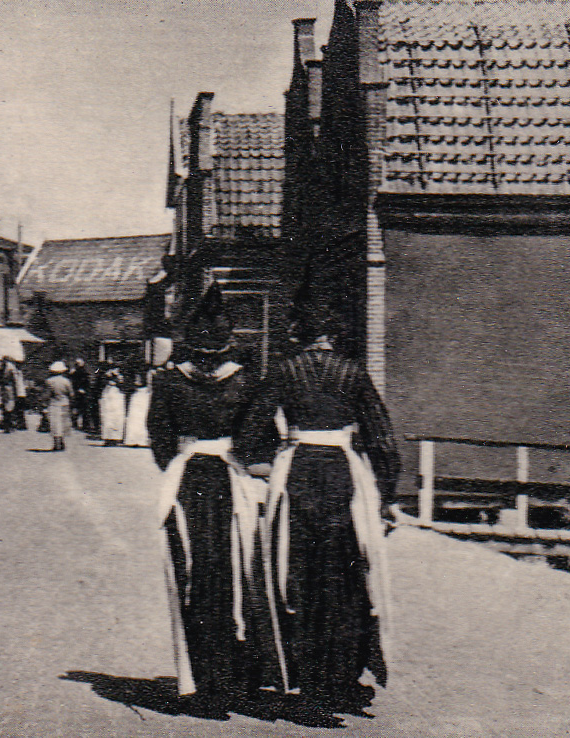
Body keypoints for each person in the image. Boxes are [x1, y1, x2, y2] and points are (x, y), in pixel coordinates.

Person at [233, 312, 401, 712]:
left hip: (295, 475)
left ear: (298, 335)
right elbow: (382, 438)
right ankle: (342, 678)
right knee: (347, 575)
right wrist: (388, 494)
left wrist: (273, 452)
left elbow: (249, 432)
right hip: (344, 476)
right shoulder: (353, 373)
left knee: (293, 573)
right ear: (331, 335)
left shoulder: (283, 371)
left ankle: (298, 674)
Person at [147, 284, 275, 712]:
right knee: (240, 575)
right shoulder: (246, 380)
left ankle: (200, 680)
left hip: (186, 483)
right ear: (227, 341)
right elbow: (260, 439)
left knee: (193, 577)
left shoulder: (167, 381)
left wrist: (180, 461)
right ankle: (237, 678)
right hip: (231, 484)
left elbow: (159, 438)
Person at [41, 361, 73, 451]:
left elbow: (46, 394)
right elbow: (71, 394)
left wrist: (43, 403)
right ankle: (62, 442)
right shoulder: (66, 381)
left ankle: (56, 444)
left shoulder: (49, 381)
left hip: (54, 403)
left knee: (55, 424)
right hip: (65, 403)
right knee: (63, 424)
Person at [99, 366, 126, 446]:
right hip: (108, 399)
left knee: (116, 418)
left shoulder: (120, 377)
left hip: (117, 399)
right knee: (107, 418)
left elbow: (123, 386)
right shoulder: (106, 377)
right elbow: (101, 383)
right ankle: (107, 438)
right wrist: (107, 378)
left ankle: (115, 438)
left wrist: (117, 382)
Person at [123, 373, 150, 447]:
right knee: (134, 418)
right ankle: (132, 440)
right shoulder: (134, 391)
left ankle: (142, 440)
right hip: (136, 395)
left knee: (142, 417)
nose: (137, 380)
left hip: (143, 395)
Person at [69, 358, 91, 431]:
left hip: (82, 392)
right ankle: (76, 423)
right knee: (77, 408)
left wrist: (83, 389)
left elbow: (86, 382)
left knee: (82, 409)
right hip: (77, 392)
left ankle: (84, 425)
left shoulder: (82, 372)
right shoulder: (75, 372)